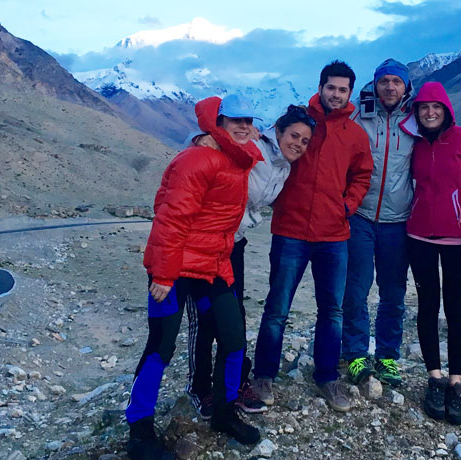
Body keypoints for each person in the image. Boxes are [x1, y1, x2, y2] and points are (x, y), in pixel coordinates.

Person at [124, 94, 264, 459]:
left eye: (249, 119)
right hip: (173, 271)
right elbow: (171, 218)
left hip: (212, 267)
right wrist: (165, 275)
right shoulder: (197, 160)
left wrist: (224, 267)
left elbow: (219, 227)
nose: (244, 126)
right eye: (236, 119)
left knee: (234, 339)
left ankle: (223, 411)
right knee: (161, 346)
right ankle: (139, 432)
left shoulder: (237, 160)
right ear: (218, 121)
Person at [342, 59, 461, 388]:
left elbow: (446, 136)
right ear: (375, 85)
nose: (390, 87)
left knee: (393, 292)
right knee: (356, 288)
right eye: (384, 81)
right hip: (361, 216)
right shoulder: (357, 116)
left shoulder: (416, 121)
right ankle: (354, 354)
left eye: (397, 81)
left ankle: (388, 356)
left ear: (407, 87)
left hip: (398, 220)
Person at [251, 60, 373, 412]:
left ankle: (326, 378)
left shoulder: (354, 134)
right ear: (321, 87)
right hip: (290, 230)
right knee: (277, 308)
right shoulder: (300, 122)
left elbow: (362, 176)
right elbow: (270, 148)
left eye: (343, 89)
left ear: (350, 93)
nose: (336, 94)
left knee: (331, 310)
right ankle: (264, 375)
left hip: (334, 235)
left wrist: (347, 206)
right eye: (331, 87)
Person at [184, 105, 316, 418]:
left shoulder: (284, 164)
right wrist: (200, 137)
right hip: (204, 242)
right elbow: (211, 143)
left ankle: (235, 385)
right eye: (293, 135)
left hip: (235, 244)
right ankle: (199, 387)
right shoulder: (253, 146)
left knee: (235, 316)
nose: (298, 143)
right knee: (204, 318)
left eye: (305, 140)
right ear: (278, 131)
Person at [399, 81, 461, 425]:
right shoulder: (415, 144)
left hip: (458, 239)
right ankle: (434, 378)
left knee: (455, 309)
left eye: (436, 107)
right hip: (419, 237)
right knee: (426, 307)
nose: (430, 112)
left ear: (447, 109)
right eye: (424, 107)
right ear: (417, 112)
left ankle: (456, 383)